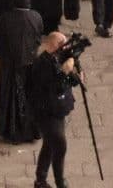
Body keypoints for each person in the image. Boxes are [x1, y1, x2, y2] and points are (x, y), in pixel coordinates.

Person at [0, 0, 43, 143]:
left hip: (10, 66)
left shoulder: (5, 19)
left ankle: (12, 131)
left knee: (11, 99)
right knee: (28, 97)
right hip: (30, 65)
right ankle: (31, 131)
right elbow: (38, 38)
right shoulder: (36, 17)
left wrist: (4, 56)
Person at [26, 31, 80, 188]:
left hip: (59, 109)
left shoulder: (58, 58)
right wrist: (65, 72)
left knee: (50, 144)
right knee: (60, 145)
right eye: (63, 45)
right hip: (46, 113)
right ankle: (60, 182)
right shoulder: (41, 65)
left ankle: (40, 180)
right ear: (54, 46)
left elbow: (70, 83)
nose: (65, 48)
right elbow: (55, 87)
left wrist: (76, 71)